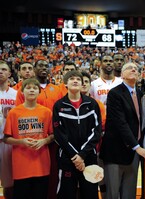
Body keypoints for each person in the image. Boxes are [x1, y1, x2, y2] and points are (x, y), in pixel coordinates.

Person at [100, 62, 145, 199]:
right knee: (112, 194)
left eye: (136, 68)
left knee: (129, 194)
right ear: (122, 75)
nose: (134, 69)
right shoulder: (115, 93)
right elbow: (120, 123)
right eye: (129, 68)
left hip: (134, 152)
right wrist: (136, 146)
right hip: (116, 151)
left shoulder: (140, 94)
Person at [53, 70, 102, 199]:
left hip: (89, 158)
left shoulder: (92, 104)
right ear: (65, 84)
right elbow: (59, 134)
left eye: (78, 79)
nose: (75, 81)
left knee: (90, 194)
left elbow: (96, 132)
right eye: (71, 79)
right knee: (66, 195)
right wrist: (75, 156)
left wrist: (82, 155)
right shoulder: (59, 106)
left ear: (82, 85)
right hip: (67, 159)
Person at [3, 78, 53, 199]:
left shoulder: (47, 112)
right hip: (21, 165)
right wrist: (21, 142)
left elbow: (53, 135)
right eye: (28, 88)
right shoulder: (14, 113)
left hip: (41, 164)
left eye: (35, 88)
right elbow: (6, 138)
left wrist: (44, 141)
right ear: (22, 91)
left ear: (39, 92)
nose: (31, 90)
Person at [0, 60, 17, 199]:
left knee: (8, 183)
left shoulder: (16, 94)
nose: (0, 72)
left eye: (4, 69)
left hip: (6, 141)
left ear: (9, 73)